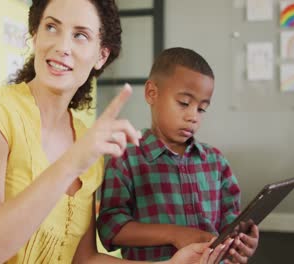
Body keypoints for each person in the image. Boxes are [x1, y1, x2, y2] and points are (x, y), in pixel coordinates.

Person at [0, 1, 233, 263]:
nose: (62, 46)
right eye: (51, 27)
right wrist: (71, 163)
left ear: (101, 55)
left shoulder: (84, 135)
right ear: (35, 35)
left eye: (80, 35)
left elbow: (84, 259)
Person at [96, 47, 260, 263]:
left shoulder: (216, 162)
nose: (193, 117)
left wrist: (241, 242)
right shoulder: (126, 159)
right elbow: (110, 228)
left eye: (201, 109)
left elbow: (231, 221)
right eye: (184, 103)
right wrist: (176, 234)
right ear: (152, 93)